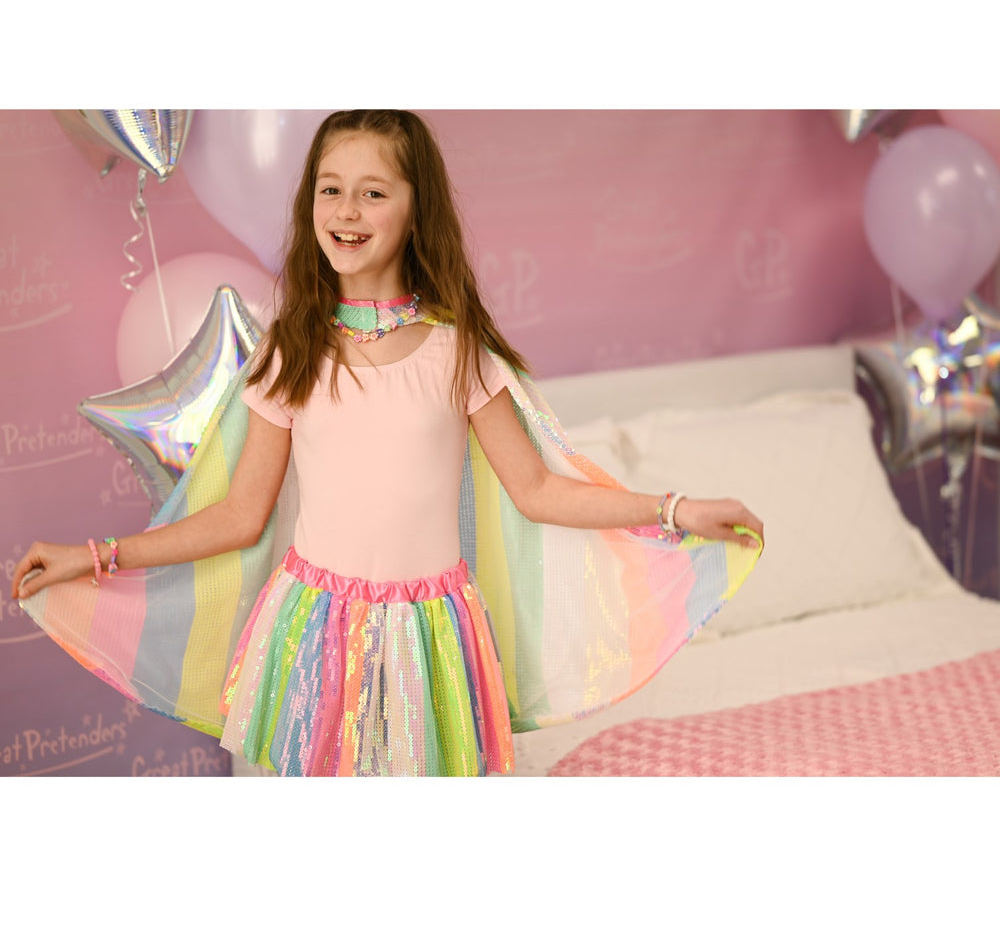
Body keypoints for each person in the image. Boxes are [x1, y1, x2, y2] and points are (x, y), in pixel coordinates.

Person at [11, 109, 764, 777]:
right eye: (330, 189)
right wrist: (97, 556)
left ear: (415, 209)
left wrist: (675, 510)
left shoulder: (457, 351)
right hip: (313, 633)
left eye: (373, 192)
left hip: (428, 638)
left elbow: (538, 492)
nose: (347, 209)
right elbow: (238, 517)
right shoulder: (290, 354)